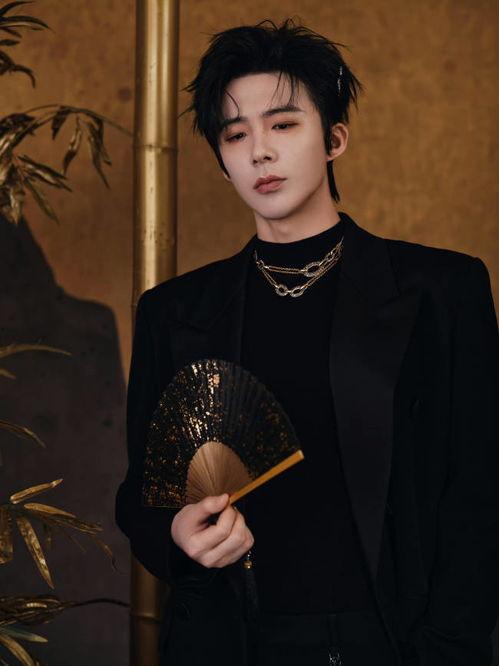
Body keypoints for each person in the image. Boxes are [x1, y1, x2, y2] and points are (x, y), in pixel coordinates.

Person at [115, 17, 499, 666]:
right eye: (235, 134)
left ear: (334, 139)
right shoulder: (175, 313)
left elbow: (478, 489)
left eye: (284, 124)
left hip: (397, 642)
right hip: (230, 643)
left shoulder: (441, 291)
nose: (259, 152)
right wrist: (177, 533)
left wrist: (446, 646)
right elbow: (143, 497)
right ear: (222, 161)